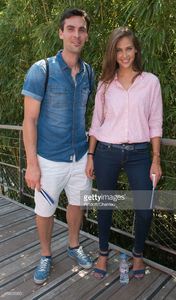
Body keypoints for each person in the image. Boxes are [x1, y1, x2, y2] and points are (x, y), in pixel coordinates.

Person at [22, 8, 94, 284]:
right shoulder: (42, 70)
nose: (77, 34)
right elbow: (29, 120)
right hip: (49, 159)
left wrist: (90, 154)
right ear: (61, 33)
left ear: (86, 35)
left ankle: (74, 245)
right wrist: (32, 164)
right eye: (71, 28)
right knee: (45, 211)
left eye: (82, 29)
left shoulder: (88, 72)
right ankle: (45, 254)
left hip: (79, 157)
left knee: (77, 204)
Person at [86, 27, 163, 279]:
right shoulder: (105, 85)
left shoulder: (150, 82)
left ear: (136, 50)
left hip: (140, 154)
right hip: (106, 151)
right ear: (113, 53)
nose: (124, 54)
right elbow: (97, 123)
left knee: (144, 209)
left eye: (128, 48)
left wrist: (155, 159)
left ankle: (138, 255)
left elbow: (155, 122)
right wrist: (90, 156)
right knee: (105, 204)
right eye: (119, 50)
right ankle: (103, 253)